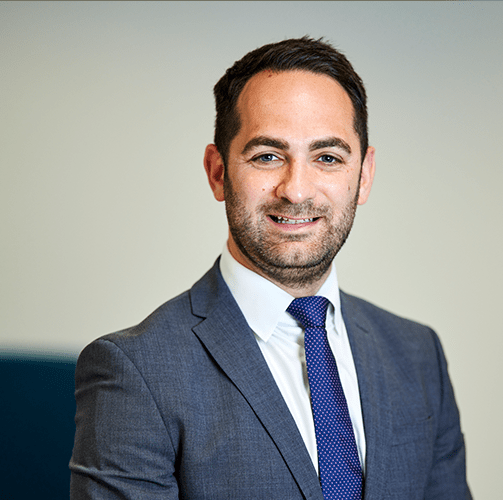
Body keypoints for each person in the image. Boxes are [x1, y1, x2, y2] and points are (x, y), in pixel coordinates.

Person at [70, 37, 472, 499]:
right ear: (217, 172)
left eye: (327, 158)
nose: (297, 190)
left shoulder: (417, 355)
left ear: (363, 175)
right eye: (267, 156)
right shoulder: (135, 372)